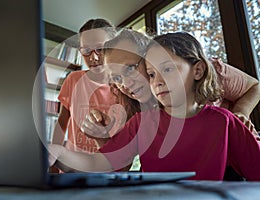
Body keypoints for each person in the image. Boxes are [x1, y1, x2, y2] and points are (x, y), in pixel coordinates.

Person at [48, 32, 260, 180]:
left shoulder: (223, 119)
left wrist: (240, 115)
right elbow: (105, 164)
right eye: (151, 74)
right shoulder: (140, 122)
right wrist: (56, 152)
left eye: (131, 68)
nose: (156, 81)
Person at [51, 18, 121, 156]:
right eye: (87, 50)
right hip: (72, 169)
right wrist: (53, 161)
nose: (93, 58)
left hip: (106, 170)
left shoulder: (124, 88)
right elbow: (62, 123)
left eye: (100, 49)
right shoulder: (73, 80)